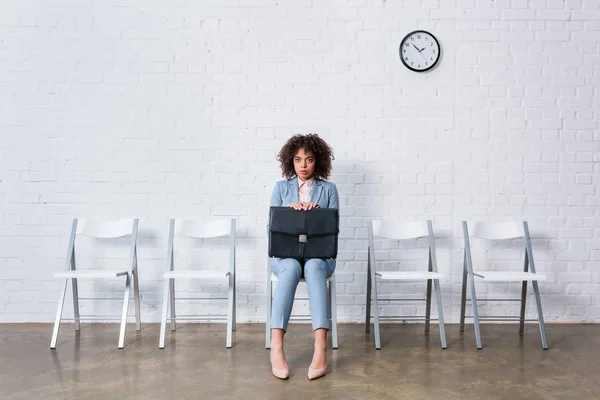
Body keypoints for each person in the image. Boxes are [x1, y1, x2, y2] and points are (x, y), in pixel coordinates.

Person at [268, 133, 339, 380]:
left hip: (320, 256)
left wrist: (315, 214)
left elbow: (332, 229)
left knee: (313, 267)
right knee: (289, 268)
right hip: (286, 255)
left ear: (317, 162)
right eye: (298, 160)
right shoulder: (280, 188)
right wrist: (290, 214)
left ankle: (320, 347)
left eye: (309, 160)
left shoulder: (329, 190)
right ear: (291, 161)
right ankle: (276, 346)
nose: (304, 165)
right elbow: (272, 230)